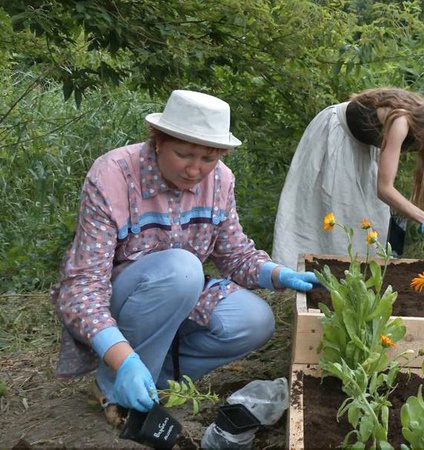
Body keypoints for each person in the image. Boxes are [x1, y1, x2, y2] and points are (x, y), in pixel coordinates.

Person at [50, 90, 320, 424]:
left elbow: (235, 255)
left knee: (254, 320)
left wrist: (277, 273)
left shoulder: (221, 181)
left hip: (182, 289)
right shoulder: (114, 176)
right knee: (183, 269)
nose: (195, 170)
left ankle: (153, 381)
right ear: (159, 141)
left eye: (209, 159)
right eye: (184, 154)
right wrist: (124, 358)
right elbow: (81, 287)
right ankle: (114, 381)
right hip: (117, 300)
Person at [272, 83, 424, 273]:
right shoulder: (402, 121)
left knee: (369, 224)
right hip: (337, 135)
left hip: (366, 148)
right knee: (334, 216)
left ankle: (350, 285)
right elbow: (384, 189)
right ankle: (297, 278)